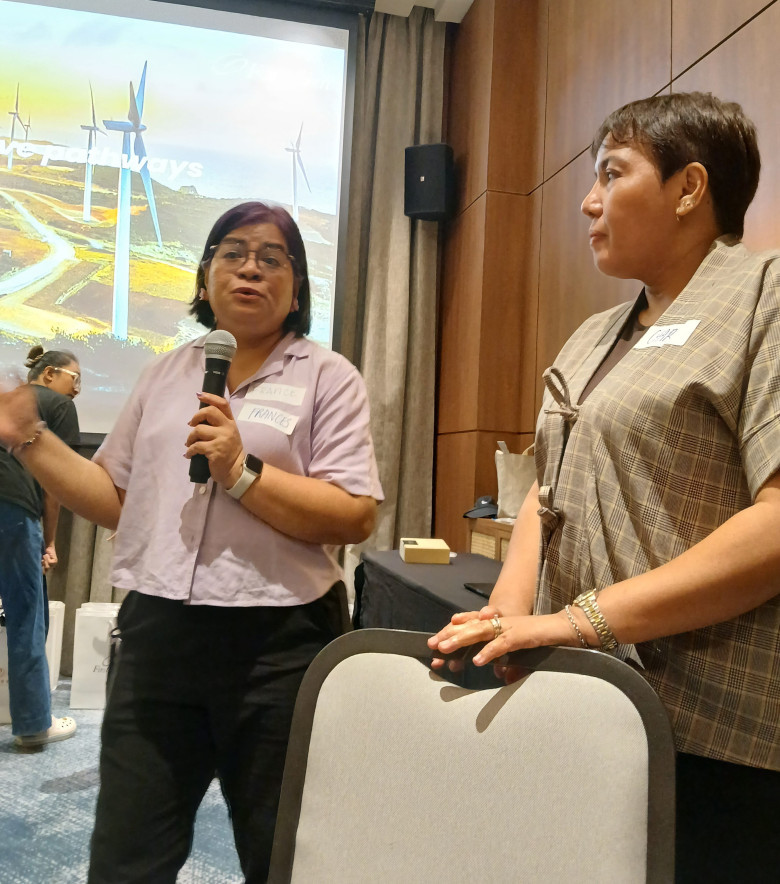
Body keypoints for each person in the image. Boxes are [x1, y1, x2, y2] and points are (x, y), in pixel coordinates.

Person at [428, 92, 780, 881]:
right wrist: (510, 612)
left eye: (612, 174)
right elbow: (543, 491)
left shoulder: (767, 294)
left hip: (716, 737)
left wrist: (580, 620)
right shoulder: (593, 335)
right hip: (587, 703)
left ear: (689, 188)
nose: (588, 202)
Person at [0, 202, 383, 883]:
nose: (250, 269)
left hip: (281, 647)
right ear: (205, 277)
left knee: (285, 857)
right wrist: (28, 437)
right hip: (160, 638)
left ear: (297, 289)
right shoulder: (165, 373)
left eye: (272, 258)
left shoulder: (328, 377)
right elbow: (114, 498)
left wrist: (241, 471)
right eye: (232, 253)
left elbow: (354, 515)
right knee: (126, 859)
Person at [0, 346, 81, 746]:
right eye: (75, 378)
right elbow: (56, 483)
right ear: (49, 374)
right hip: (12, 507)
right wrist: (49, 540)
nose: (78, 389)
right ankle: (33, 724)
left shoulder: (8, 399)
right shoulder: (57, 405)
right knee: (26, 615)